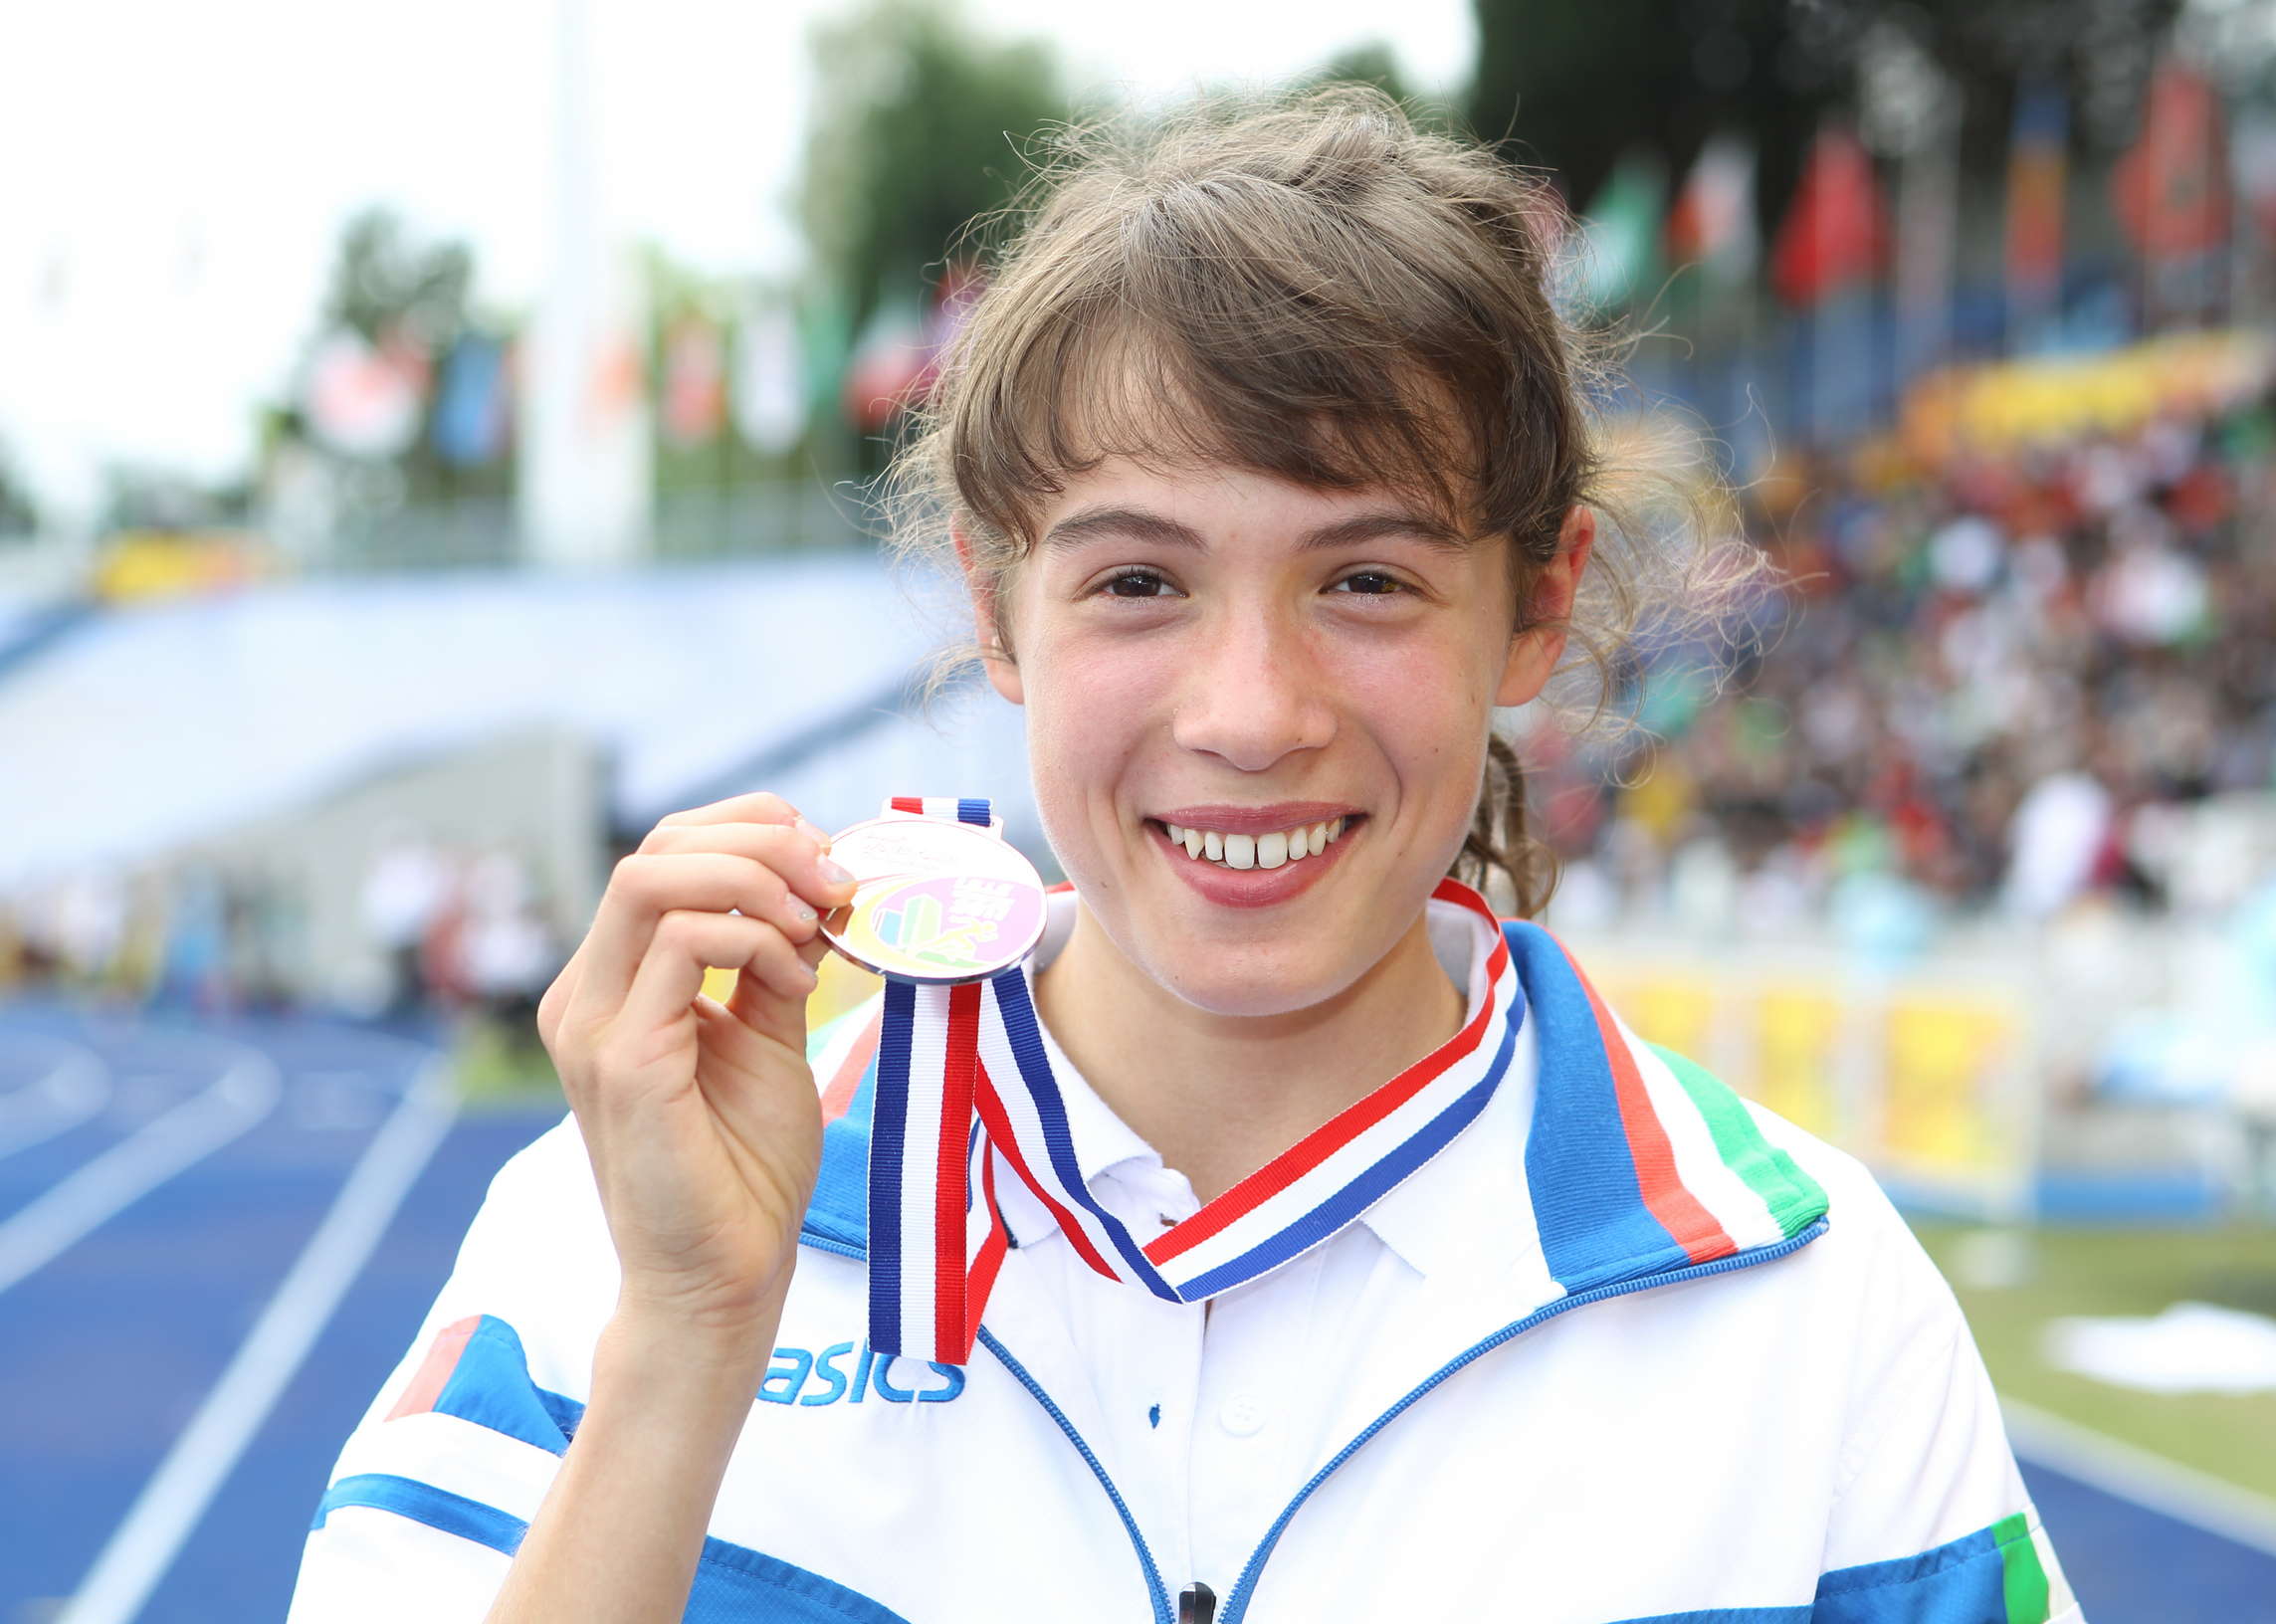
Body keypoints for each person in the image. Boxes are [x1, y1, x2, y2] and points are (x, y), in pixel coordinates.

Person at [290, 87, 2079, 1623]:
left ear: (1537, 607)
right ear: (998, 607)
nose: (1249, 712)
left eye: (1365, 579)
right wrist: (686, 1343)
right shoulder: (625, 1227)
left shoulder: (1803, 1298)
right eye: (1140, 581)